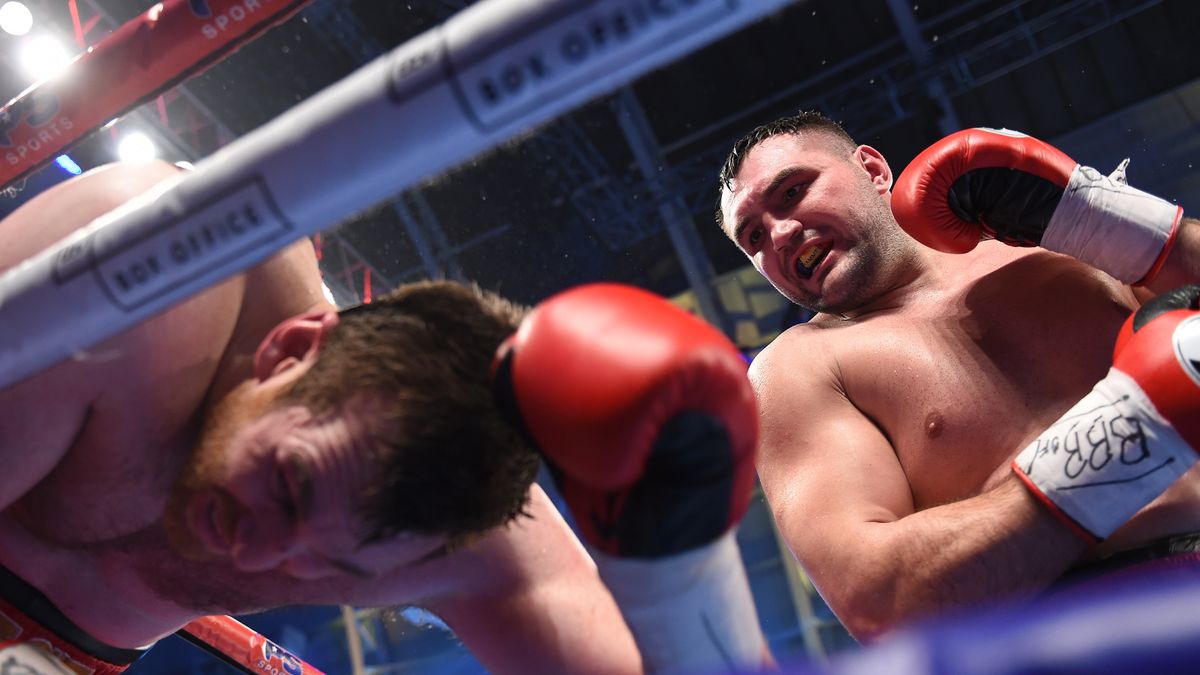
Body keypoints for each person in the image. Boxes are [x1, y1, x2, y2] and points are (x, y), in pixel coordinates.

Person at [0, 159, 645, 674]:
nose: (258, 552)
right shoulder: (141, 275)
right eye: (287, 482)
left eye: (326, 565)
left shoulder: (457, 531)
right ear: (288, 353)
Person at [715, 112, 1200, 642]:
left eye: (792, 192)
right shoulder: (799, 369)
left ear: (874, 170)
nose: (780, 234)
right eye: (753, 236)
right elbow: (878, 599)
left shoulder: (1054, 235)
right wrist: (1129, 434)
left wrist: (1101, 217)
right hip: (1082, 639)